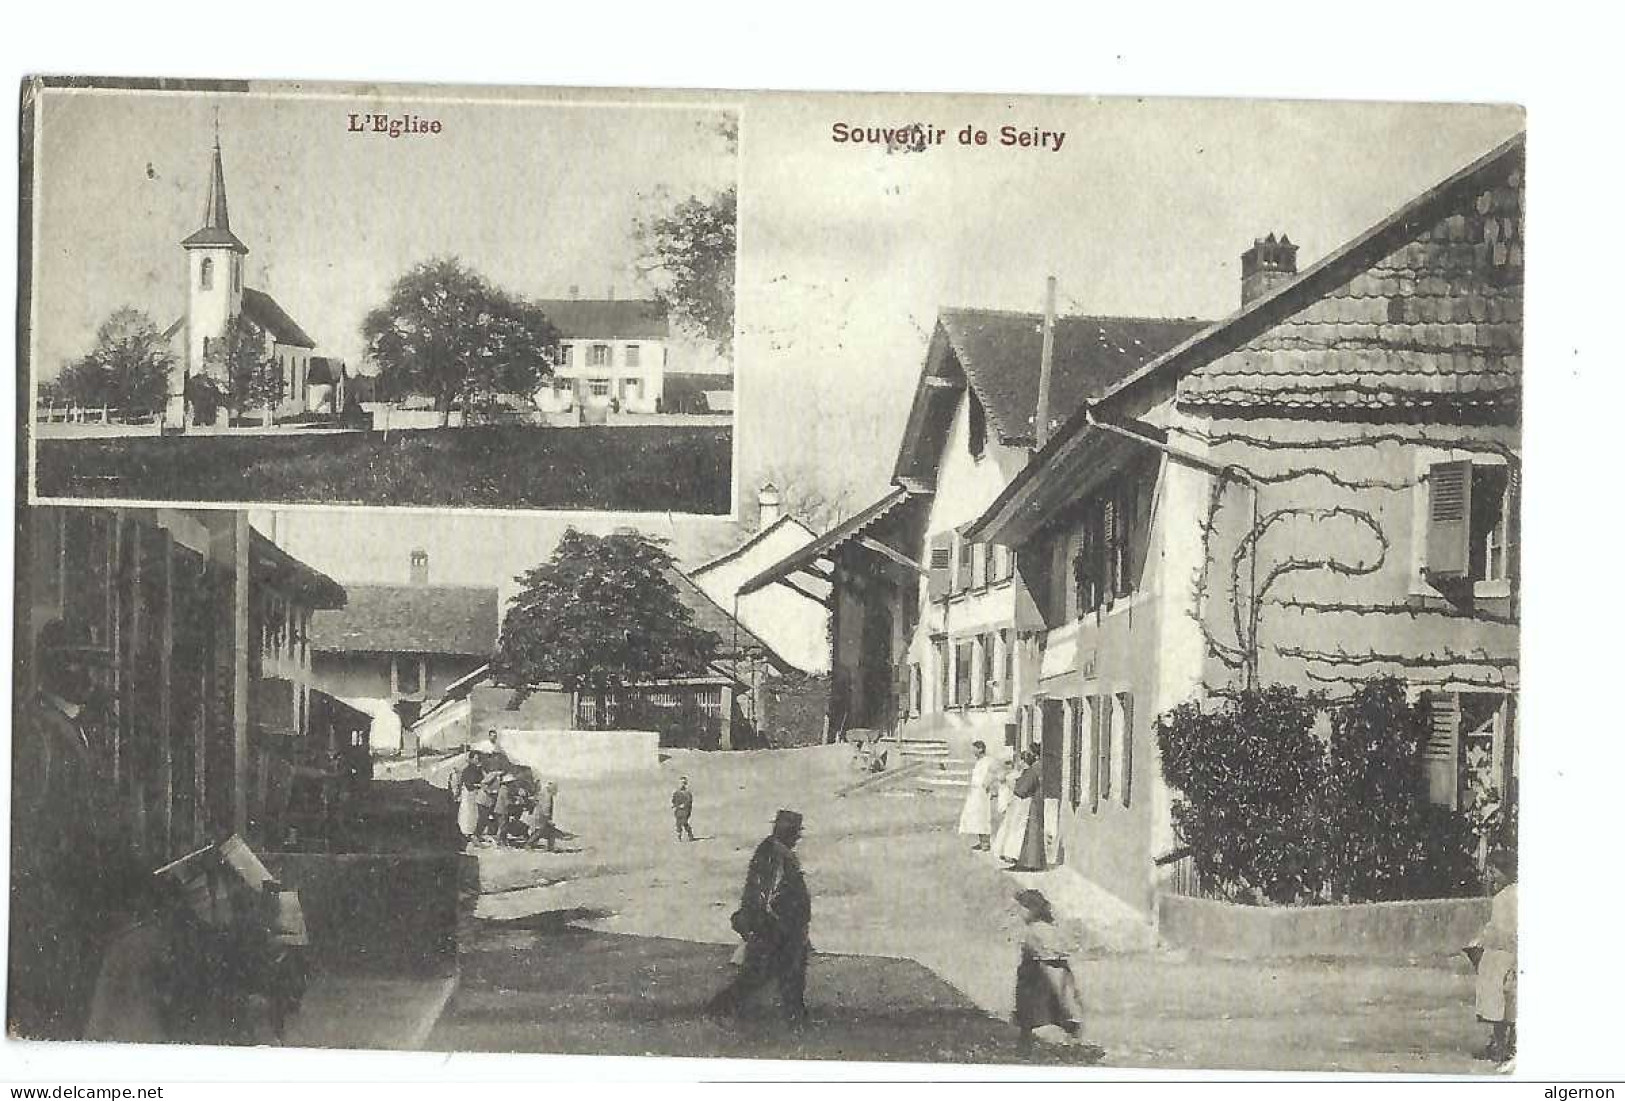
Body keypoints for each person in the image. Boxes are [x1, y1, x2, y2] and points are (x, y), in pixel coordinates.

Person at [10, 620, 126, 1039]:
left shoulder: (70, 725)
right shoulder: (37, 730)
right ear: (54, 667)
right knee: (53, 1010)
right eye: (80, 664)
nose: (91, 677)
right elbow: (27, 827)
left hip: (74, 898)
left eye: (95, 666)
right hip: (50, 901)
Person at [706, 809, 812, 1024]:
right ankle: (720, 1009)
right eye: (796, 832)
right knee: (763, 975)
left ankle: (796, 1017)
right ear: (788, 833)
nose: (799, 837)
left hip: (780, 928)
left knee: (783, 974)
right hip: (775, 929)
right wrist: (770, 925)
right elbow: (765, 894)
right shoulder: (774, 855)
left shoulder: (775, 851)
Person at [1012, 888, 1086, 1053]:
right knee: (1048, 1012)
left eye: (1022, 908)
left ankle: (1029, 1046)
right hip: (1037, 975)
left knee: (1036, 1013)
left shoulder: (1035, 930)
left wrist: (1044, 957)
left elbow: (1048, 954)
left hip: (1038, 978)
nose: (1018, 912)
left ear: (1032, 909)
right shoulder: (1043, 927)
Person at [1467, 850, 1517, 1063]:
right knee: (1507, 1001)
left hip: (1508, 953)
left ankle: (1505, 1045)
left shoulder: (1511, 896)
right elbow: (1494, 926)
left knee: (1505, 999)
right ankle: (1501, 1043)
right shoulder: (1503, 896)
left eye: (1494, 870)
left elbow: (1504, 930)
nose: (1491, 875)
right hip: (1504, 953)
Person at [994, 748, 1046, 871]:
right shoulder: (1028, 772)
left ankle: (1029, 864)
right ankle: (1022, 862)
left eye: (1021, 760)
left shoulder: (1030, 773)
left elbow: (1021, 790)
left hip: (1029, 807)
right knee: (1022, 835)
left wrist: (1011, 785)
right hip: (1026, 806)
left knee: (1026, 835)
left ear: (1024, 761)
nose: (1020, 763)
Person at [958, 741, 999, 851]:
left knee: (983, 817)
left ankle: (986, 843)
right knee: (976, 818)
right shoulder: (979, 762)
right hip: (975, 793)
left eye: (974, 749)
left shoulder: (989, 761)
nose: (973, 751)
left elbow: (992, 775)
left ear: (980, 749)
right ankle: (981, 842)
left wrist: (989, 787)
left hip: (982, 793)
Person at [522, 781, 572, 851]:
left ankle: (549, 847)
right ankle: (529, 845)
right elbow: (546, 809)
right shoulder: (547, 796)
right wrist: (548, 820)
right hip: (541, 818)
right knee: (540, 832)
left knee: (548, 832)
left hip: (537, 816)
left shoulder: (544, 792)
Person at [672, 776, 696, 842]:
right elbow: (673, 800)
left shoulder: (688, 793)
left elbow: (689, 802)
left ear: (685, 784)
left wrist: (685, 806)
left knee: (684, 822)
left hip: (685, 811)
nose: (682, 784)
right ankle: (679, 836)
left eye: (683, 783)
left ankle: (690, 834)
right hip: (678, 810)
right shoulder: (676, 792)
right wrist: (675, 805)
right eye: (680, 783)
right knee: (678, 823)